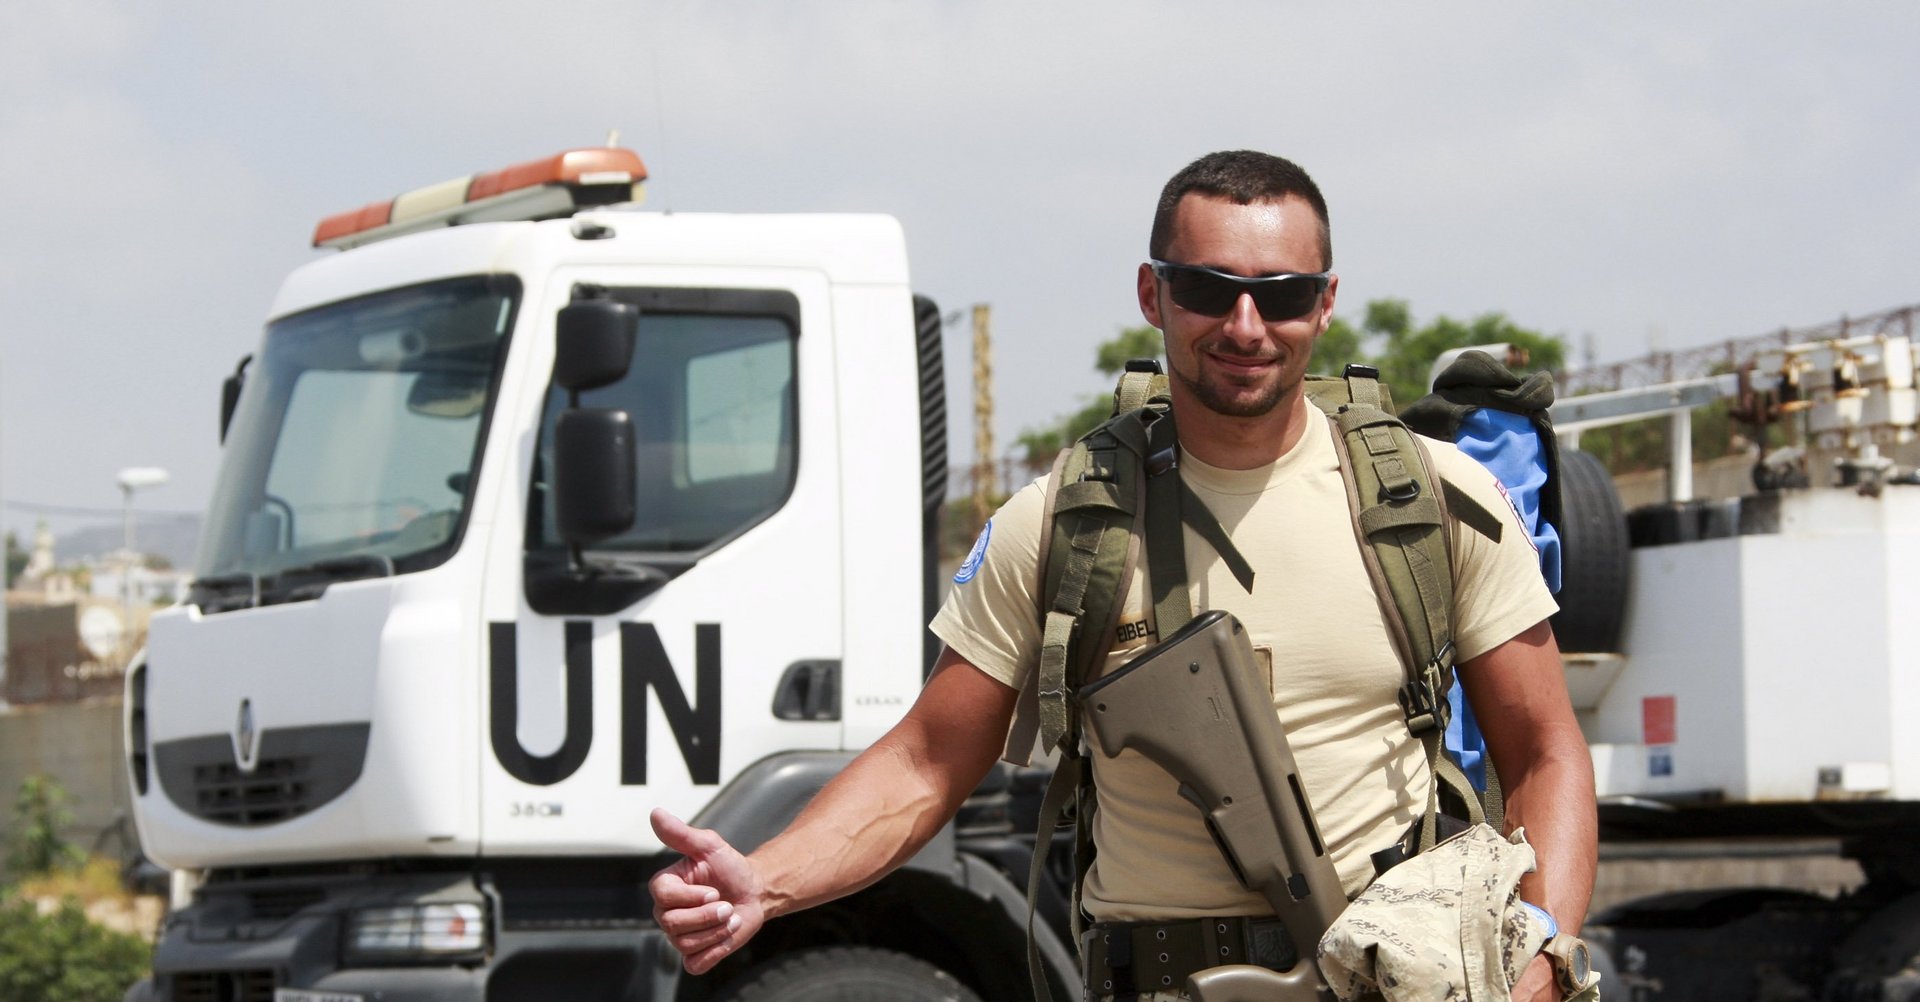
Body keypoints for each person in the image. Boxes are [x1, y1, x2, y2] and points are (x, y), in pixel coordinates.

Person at [649, 150, 1598, 1002]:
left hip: (1389, 978)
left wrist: (1543, 964)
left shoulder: (1429, 500)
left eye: (1279, 293)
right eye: (1206, 287)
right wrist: (763, 879)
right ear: (1152, 294)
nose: (1244, 324)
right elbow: (928, 760)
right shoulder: (1066, 520)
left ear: (1326, 301)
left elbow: (1546, 755)